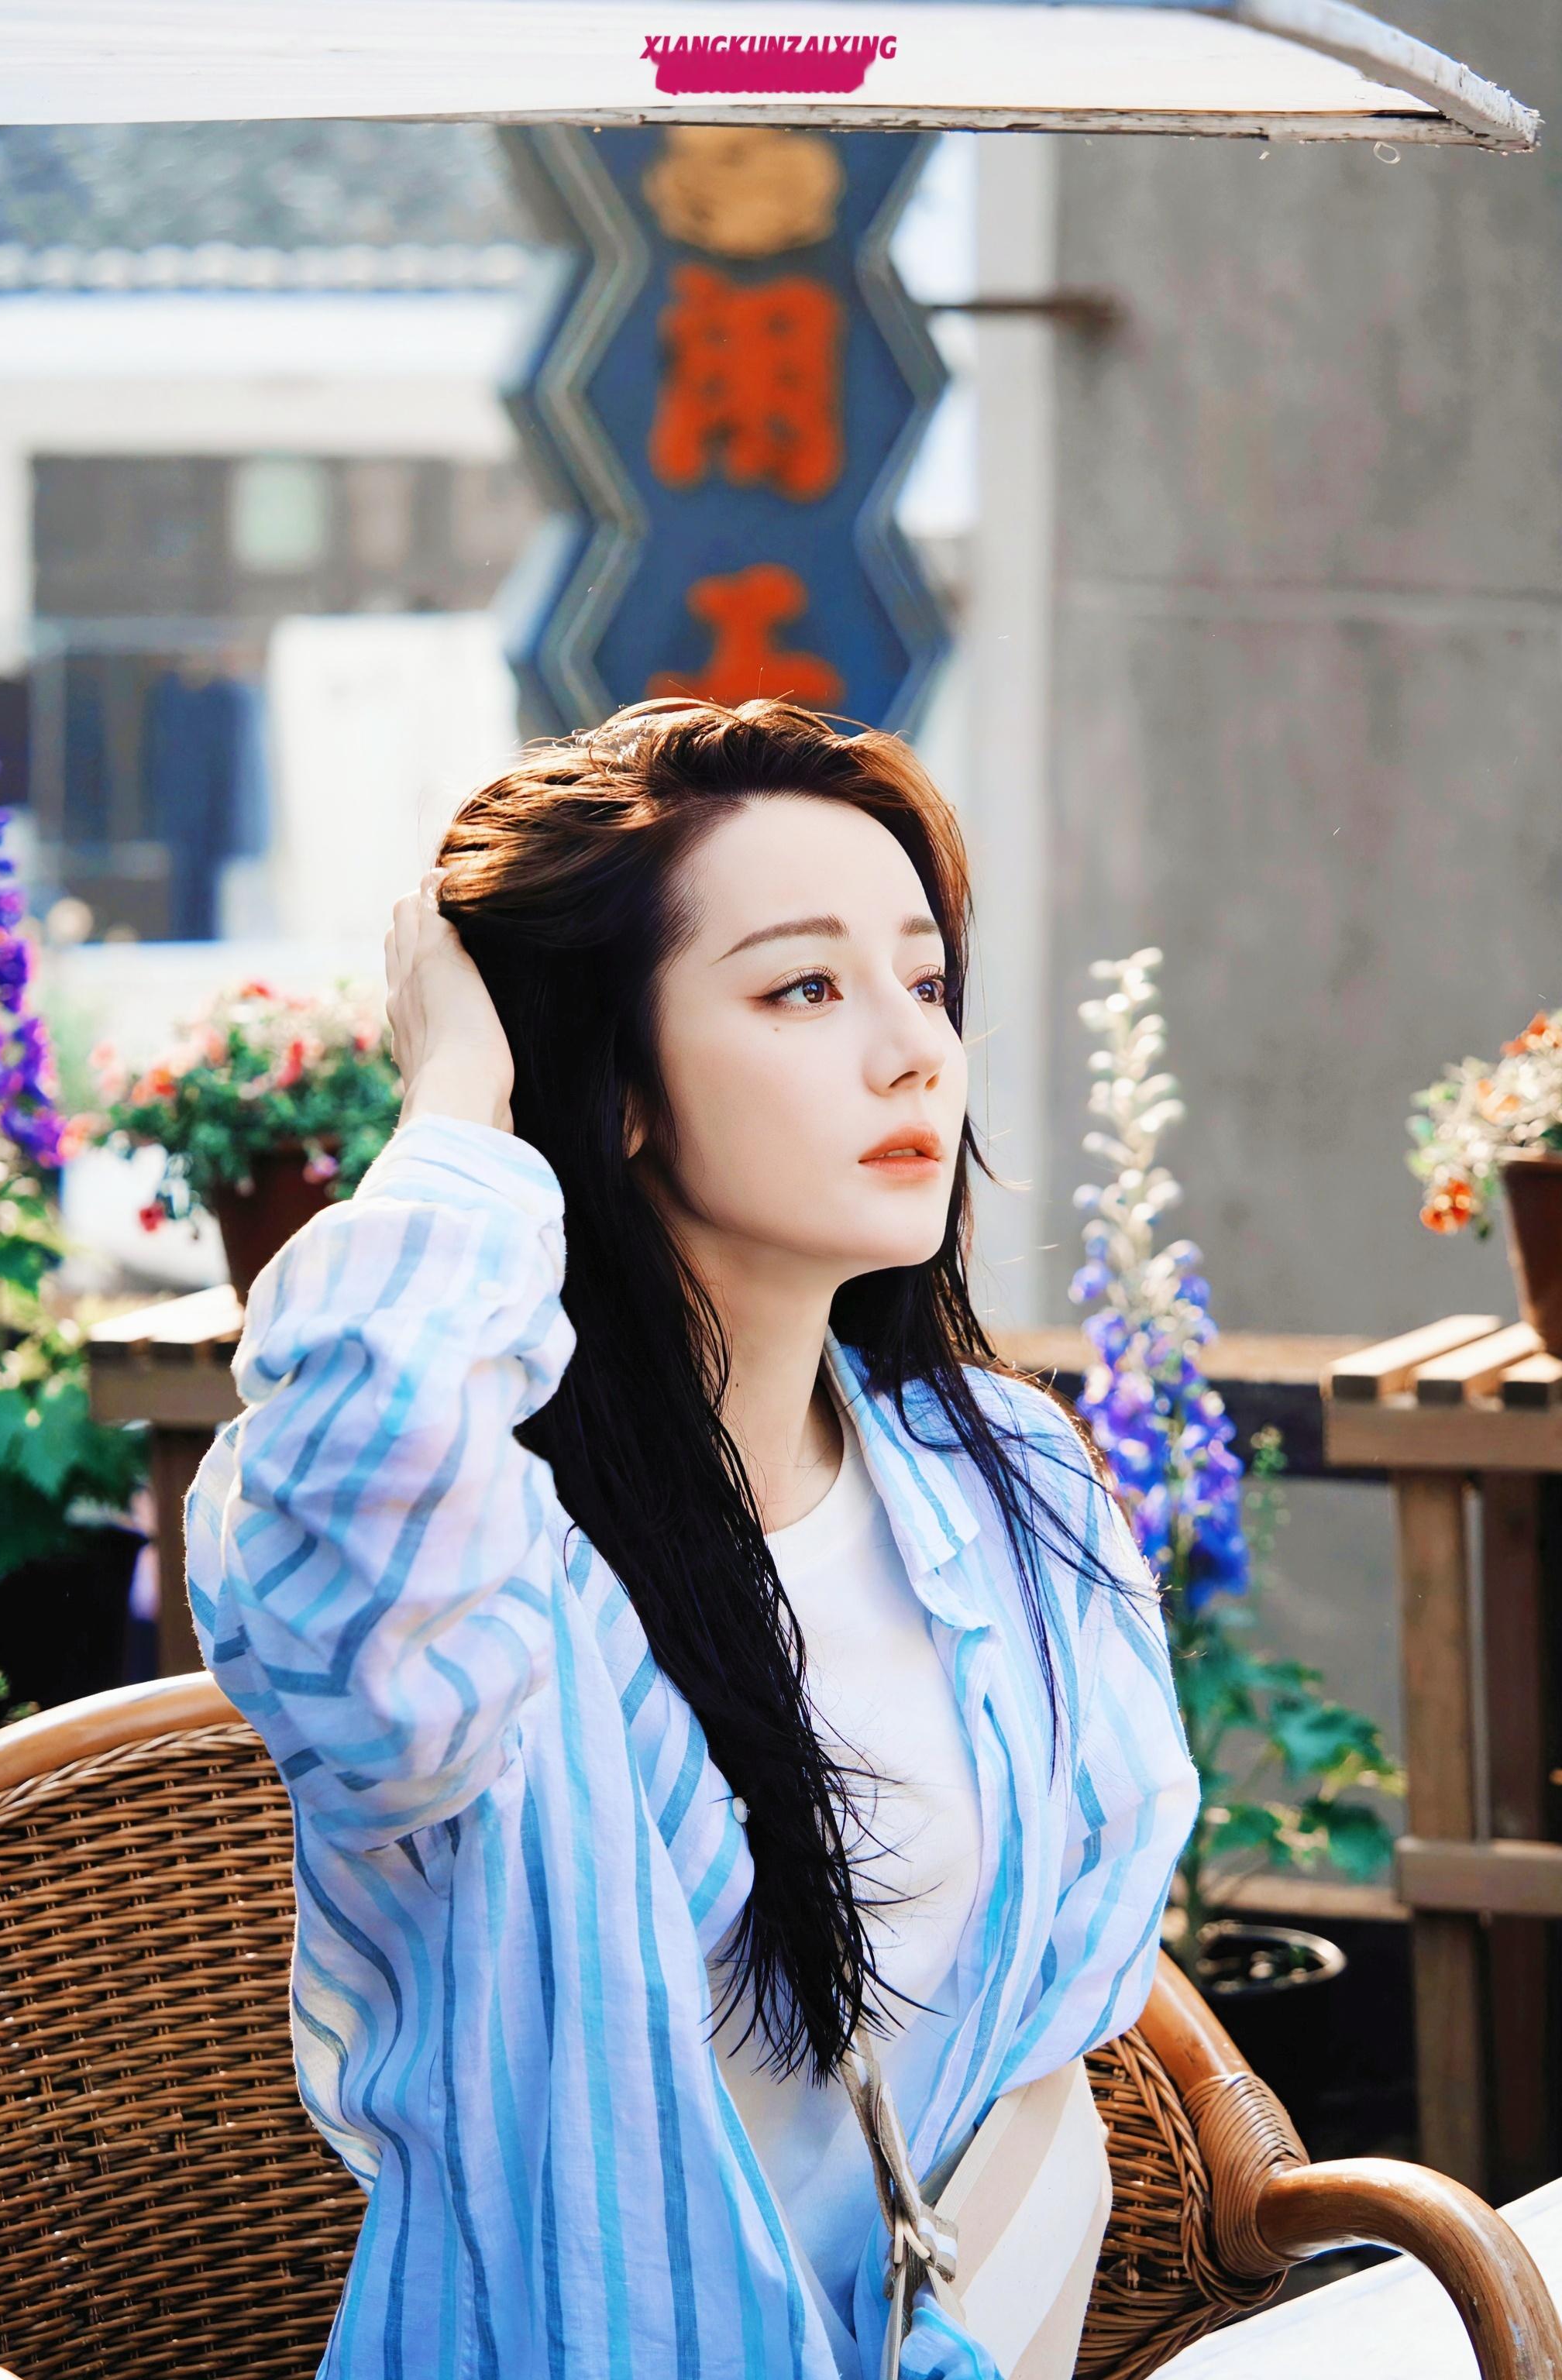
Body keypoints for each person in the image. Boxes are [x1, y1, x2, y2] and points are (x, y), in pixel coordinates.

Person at [184, 695, 1200, 2380]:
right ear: (617, 1090)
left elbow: (1050, 2031)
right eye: (805, 988)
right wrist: (459, 1104)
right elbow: (359, 1579)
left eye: (924, 983)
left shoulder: (1002, 1479)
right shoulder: (480, 1546)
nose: (913, 1053)